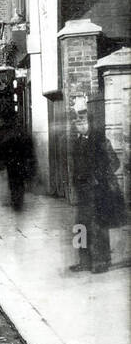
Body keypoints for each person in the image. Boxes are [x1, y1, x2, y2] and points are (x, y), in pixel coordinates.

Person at [69, 112, 120, 274]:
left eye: (83, 122)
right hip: (82, 191)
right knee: (80, 226)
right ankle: (83, 261)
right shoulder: (77, 142)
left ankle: (101, 261)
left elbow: (114, 162)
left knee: (98, 226)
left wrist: (97, 178)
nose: (80, 125)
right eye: (77, 123)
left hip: (98, 192)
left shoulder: (100, 140)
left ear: (90, 123)